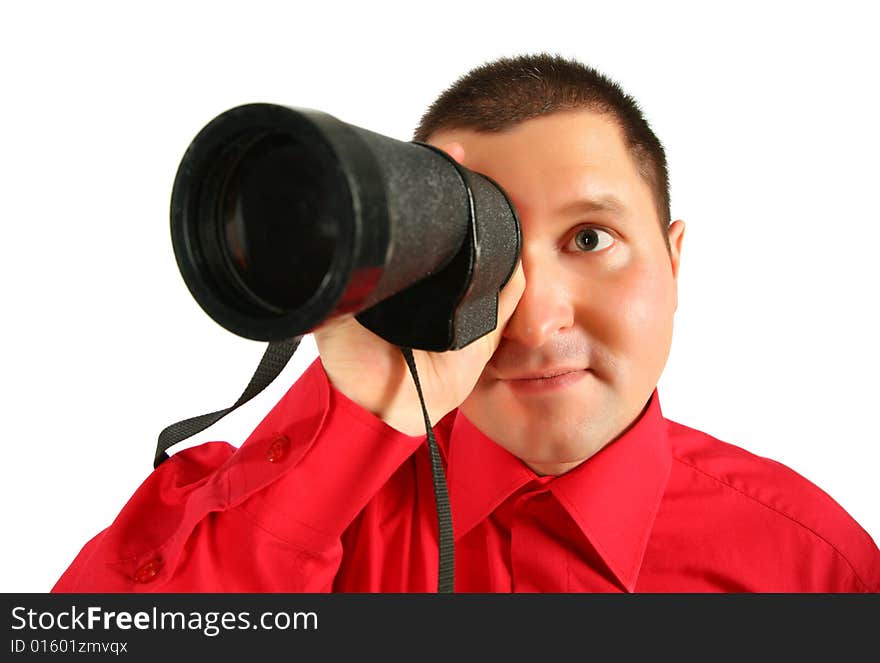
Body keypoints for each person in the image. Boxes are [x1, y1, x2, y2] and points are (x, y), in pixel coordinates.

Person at [53, 53, 880, 593]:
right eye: (481, 250)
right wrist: (359, 417)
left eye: (591, 238)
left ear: (673, 261)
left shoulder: (814, 569)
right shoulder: (288, 516)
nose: (532, 314)